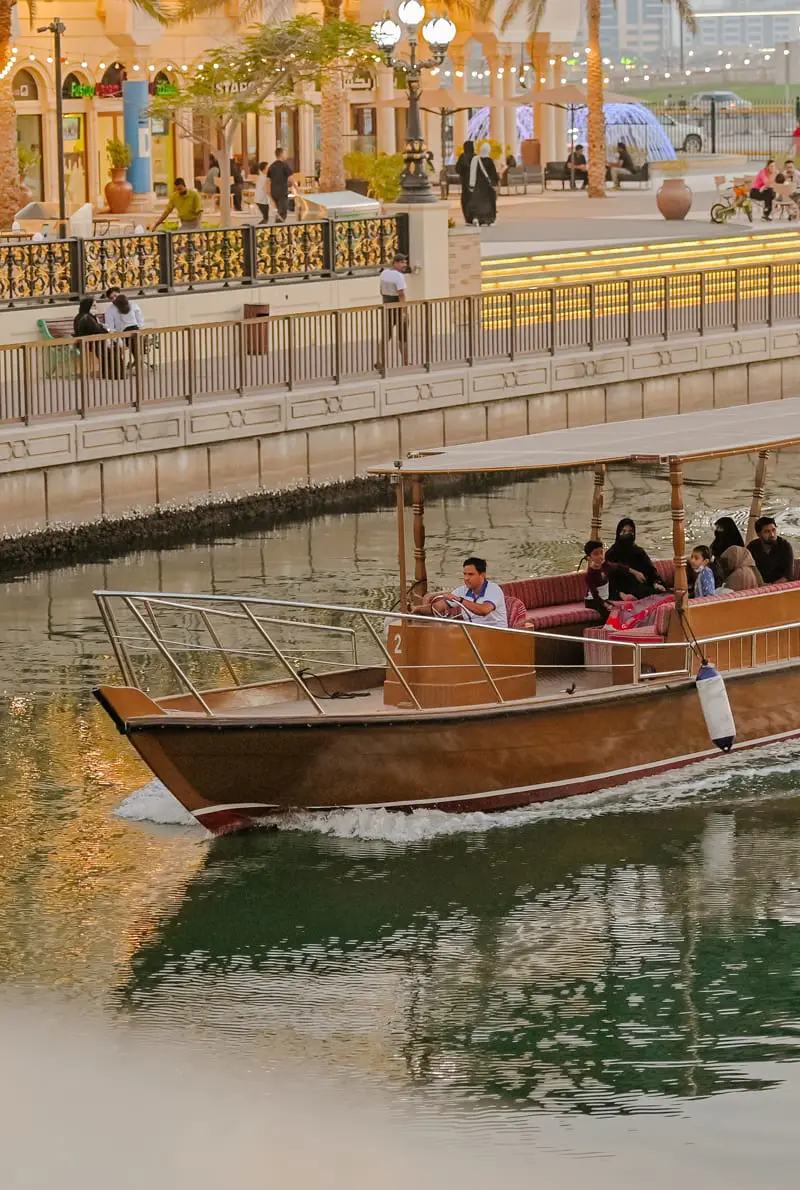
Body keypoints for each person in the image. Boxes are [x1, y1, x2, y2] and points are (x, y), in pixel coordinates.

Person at [583, 539, 646, 623]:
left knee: (621, 611)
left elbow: (618, 566)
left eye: (601, 552)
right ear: (589, 557)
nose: (600, 556)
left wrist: (635, 572)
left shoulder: (605, 566)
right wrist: (606, 605)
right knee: (610, 613)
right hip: (593, 601)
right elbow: (595, 595)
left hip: (605, 599)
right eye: (596, 554)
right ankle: (606, 632)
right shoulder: (590, 575)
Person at [604, 517, 666, 597]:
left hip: (643, 587)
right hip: (623, 590)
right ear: (618, 533)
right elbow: (610, 579)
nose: (627, 534)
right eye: (624, 531)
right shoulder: (611, 554)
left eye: (630, 531)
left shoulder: (639, 552)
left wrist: (656, 583)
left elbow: (651, 571)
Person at [444, 556, 508, 629]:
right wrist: (429, 607)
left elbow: (484, 611)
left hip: (496, 634)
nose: (466, 578)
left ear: (482, 575)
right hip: (472, 634)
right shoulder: (462, 590)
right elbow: (438, 607)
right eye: (465, 574)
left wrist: (460, 600)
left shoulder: (494, 589)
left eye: (470, 574)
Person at [72, 296, 123, 378]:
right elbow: (96, 329)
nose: (95, 307)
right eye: (93, 306)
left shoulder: (86, 316)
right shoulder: (86, 317)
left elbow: (97, 328)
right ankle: (114, 373)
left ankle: (112, 372)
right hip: (89, 342)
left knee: (113, 349)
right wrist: (108, 331)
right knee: (112, 350)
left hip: (94, 340)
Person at [378, 251, 408, 367]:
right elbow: (401, 294)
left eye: (405, 262)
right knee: (402, 337)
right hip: (397, 307)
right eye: (401, 262)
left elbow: (381, 290)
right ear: (395, 263)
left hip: (387, 305)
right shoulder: (399, 276)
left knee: (386, 335)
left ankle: (380, 360)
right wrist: (404, 312)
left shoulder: (384, 273)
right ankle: (405, 362)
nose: (404, 265)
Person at [747, 515, 794, 584]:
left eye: (773, 530)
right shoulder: (752, 547)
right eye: (767, 531)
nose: (772, 534)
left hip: (781, 586)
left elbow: (788, 575)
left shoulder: (785, 546)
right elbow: (749, 570)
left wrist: (771, 586)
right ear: (758, 534)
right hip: (758, 585)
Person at [469, 143, 499, 226]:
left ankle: (476, 218)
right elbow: (493, 174)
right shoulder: (489, 161)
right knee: (489, 203)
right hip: (488, 187)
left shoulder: (475, 159)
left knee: (478, 202)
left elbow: (473, 173)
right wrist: (495, 184)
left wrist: (471, 185)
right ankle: (489, 220)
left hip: (478, 185)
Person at [710, 516, 744, 586]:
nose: (717, 530)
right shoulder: (717, 541)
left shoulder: (736, 543)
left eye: (720, 528)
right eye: (717, 528)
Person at [267, 148, 294, 223]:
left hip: (274, 192)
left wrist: (269, 192)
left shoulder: (271, 166)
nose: (286, 155)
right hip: (282, 191)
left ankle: (277, 226)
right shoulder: (284, 165)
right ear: (281, 154)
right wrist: (296, 188)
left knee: (279, 211)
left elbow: (268, 180)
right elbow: (290, 178)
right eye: (284, 153)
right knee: (283, 212)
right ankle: (279, 228)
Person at [455, 139, 475, 225]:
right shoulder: (475, 157)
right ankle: (475, 216)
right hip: (475, 182)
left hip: (465, 182)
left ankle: (468, 218)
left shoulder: (462, 157)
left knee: (466, 199)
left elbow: (458, 169)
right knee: (474, 198)